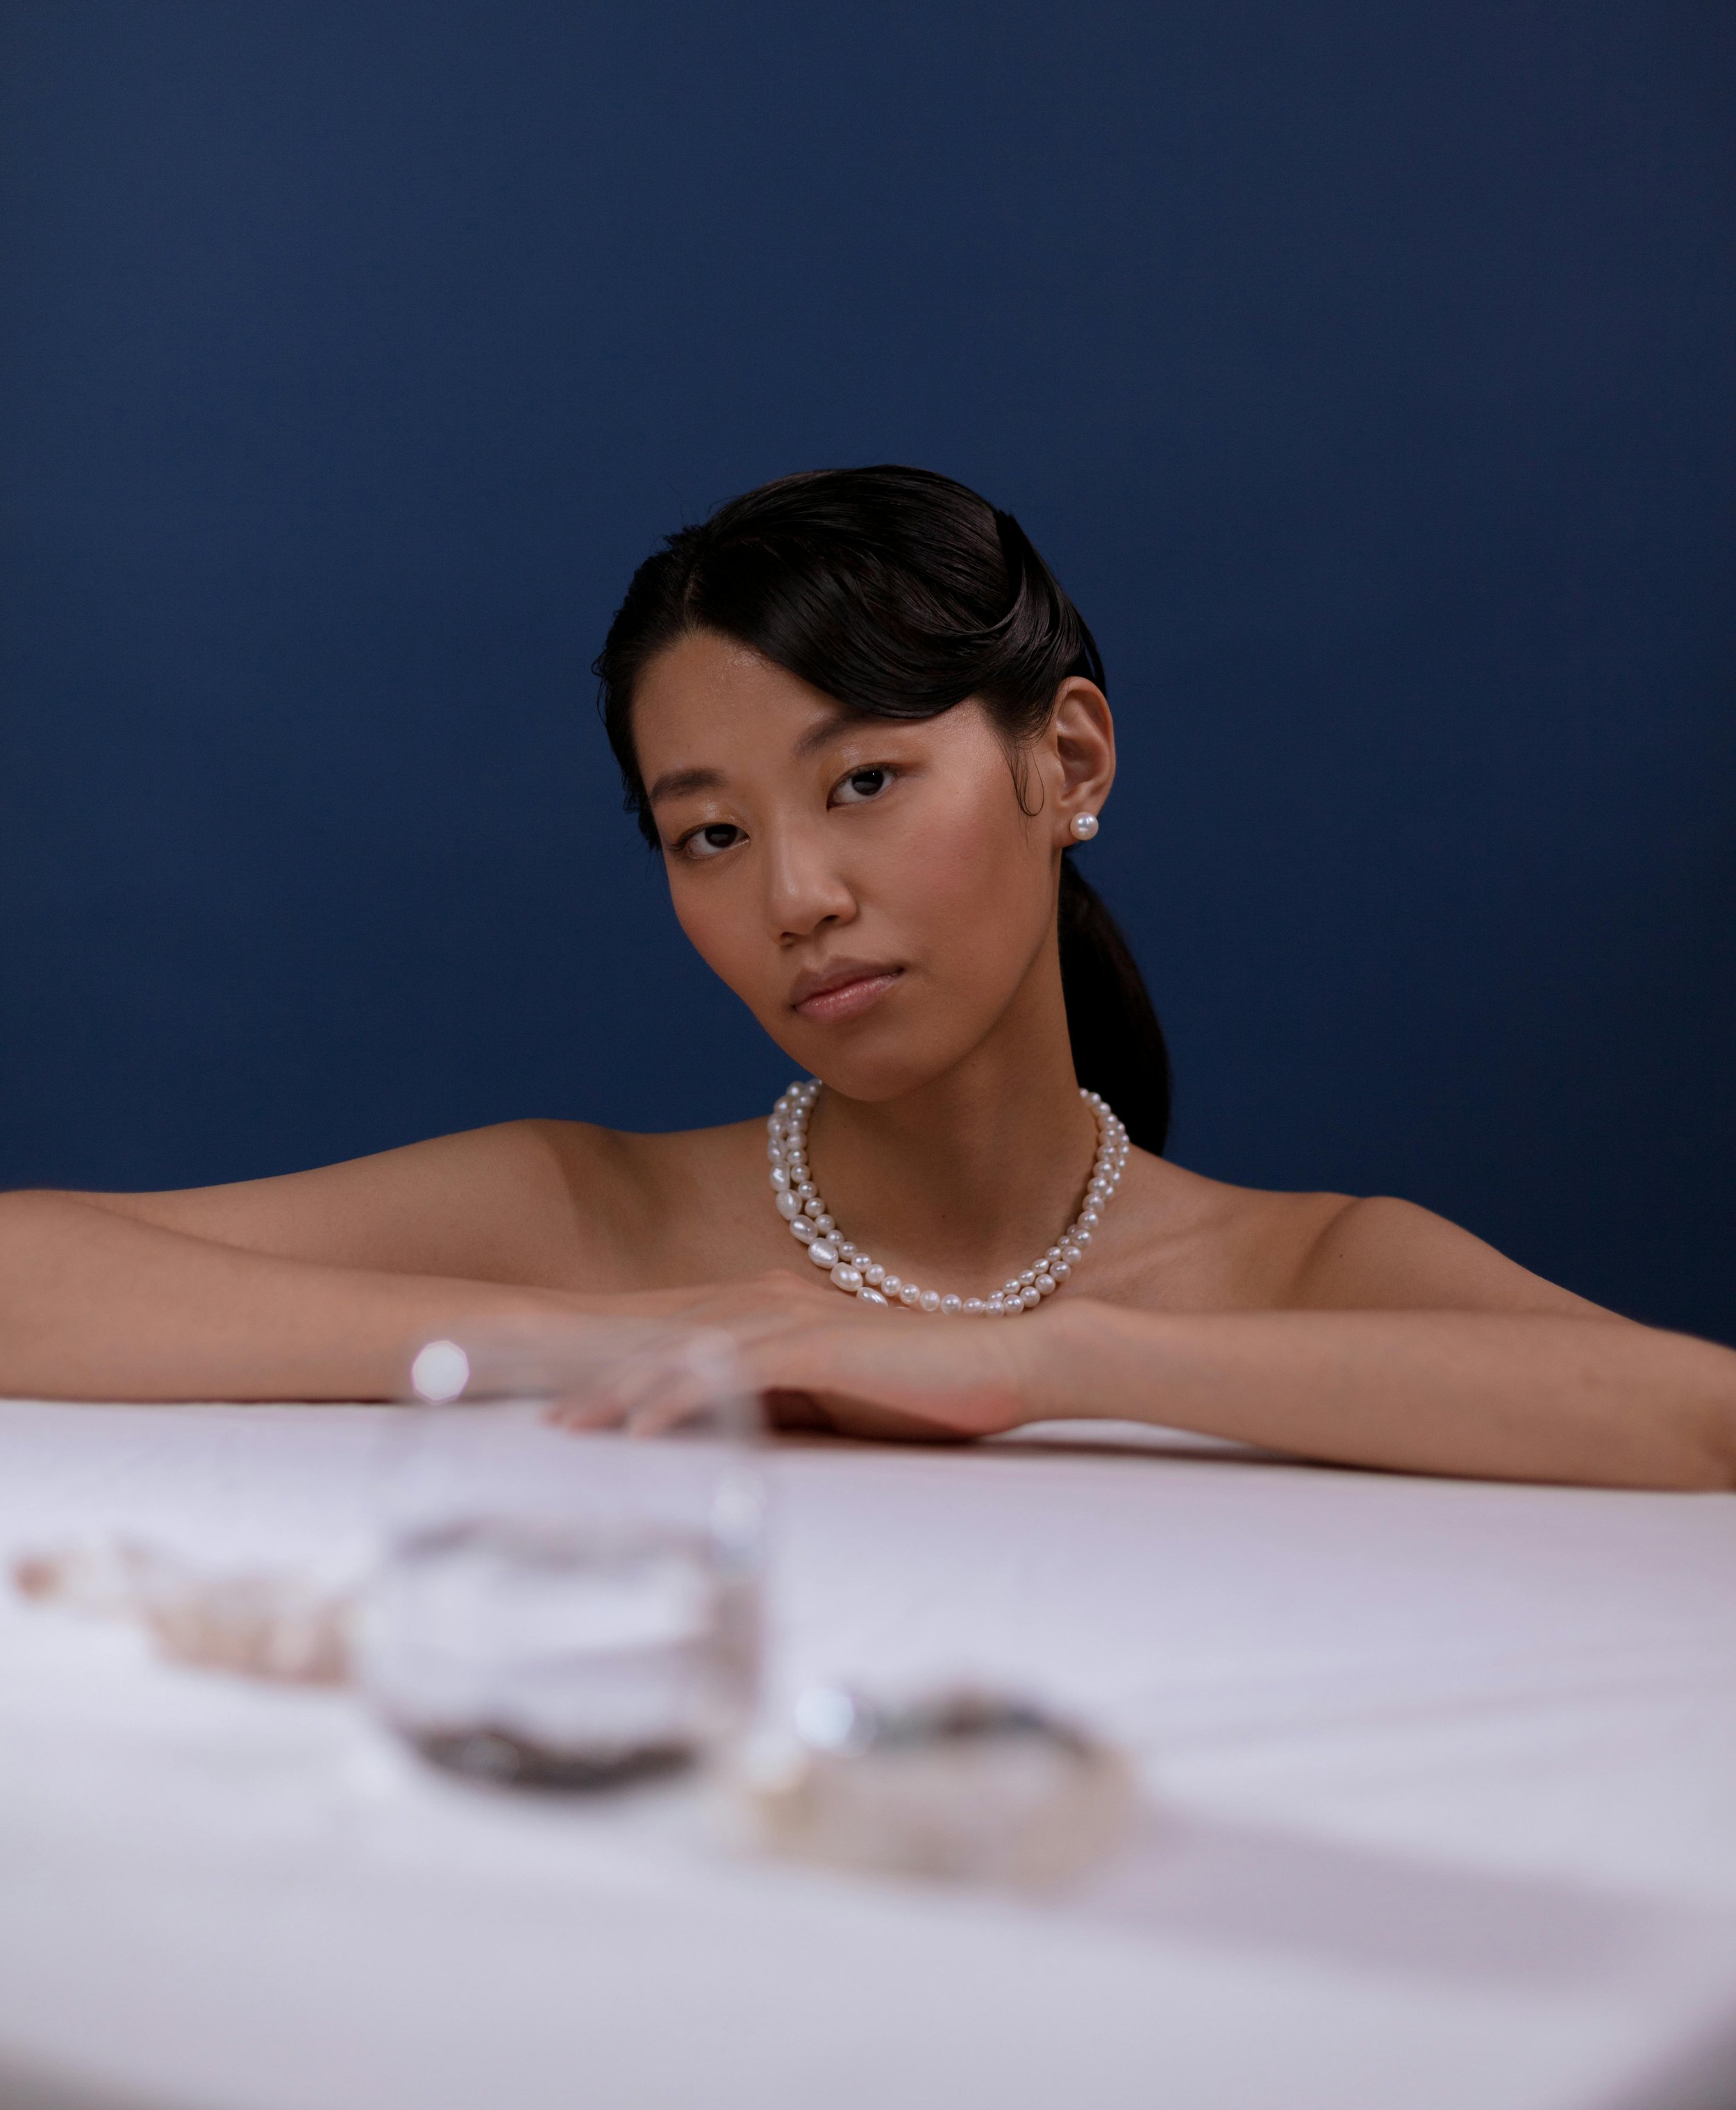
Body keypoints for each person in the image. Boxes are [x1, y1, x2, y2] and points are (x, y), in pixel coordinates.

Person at [3, 465, 1732, 1486]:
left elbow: (1700, 1424)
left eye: (860, 785)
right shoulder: (589, 1216)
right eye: (708, 835)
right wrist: (630, 1337)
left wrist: (1057, 1366)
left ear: (1065, 762)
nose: (797, 898)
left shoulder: (1306, 1268)